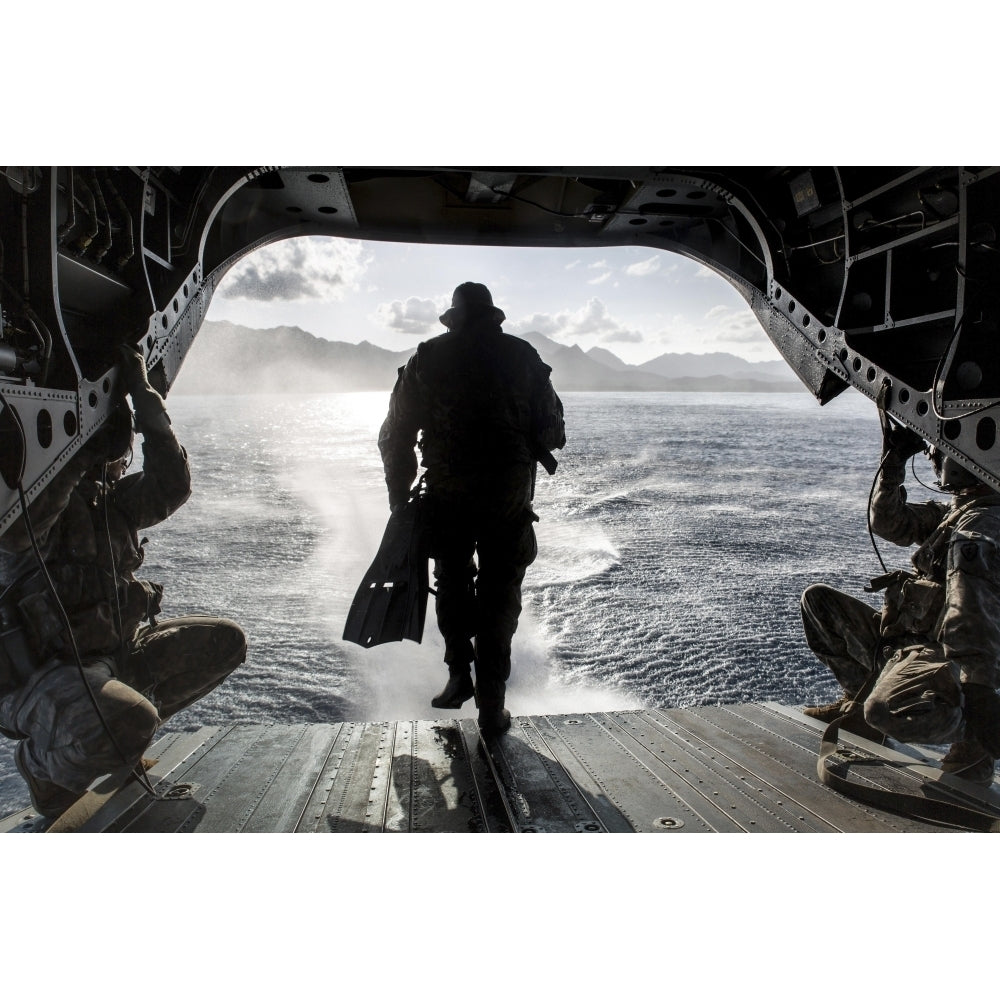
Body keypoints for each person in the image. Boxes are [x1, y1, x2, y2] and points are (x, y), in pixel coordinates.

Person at [0, 345, 246, 820]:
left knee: (224, 643)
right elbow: (22, 530)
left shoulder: (111, 503)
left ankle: (121, 721)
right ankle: (44, 766)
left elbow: (172, 486)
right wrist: (76, 453)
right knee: (125, 723)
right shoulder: (23, 507)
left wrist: (145, 399)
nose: (116, 461)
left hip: (113, 656)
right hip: (41, 676)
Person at [378, 282, 565, 736]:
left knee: (453, 579)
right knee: (500, 591)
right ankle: (491, 706)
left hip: (449, 492)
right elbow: (554, 432)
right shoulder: (523, 358)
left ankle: (459, 672)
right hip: (507, 496)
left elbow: (396, 436)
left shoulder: (427, 358)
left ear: (454, 317)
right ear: (492, 316)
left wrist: (398, 499)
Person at [801, 387, 1000, 785]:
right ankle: (855, 699)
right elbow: (888, 522)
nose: (933, 456)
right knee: (818, 602)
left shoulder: (980, 527)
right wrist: (892, 462)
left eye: (939, 450)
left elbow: (969, 612)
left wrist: (979, 692)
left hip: (940, 650)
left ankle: (974, 735)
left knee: (886, 712)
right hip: (905, 638)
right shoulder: (957, 512)